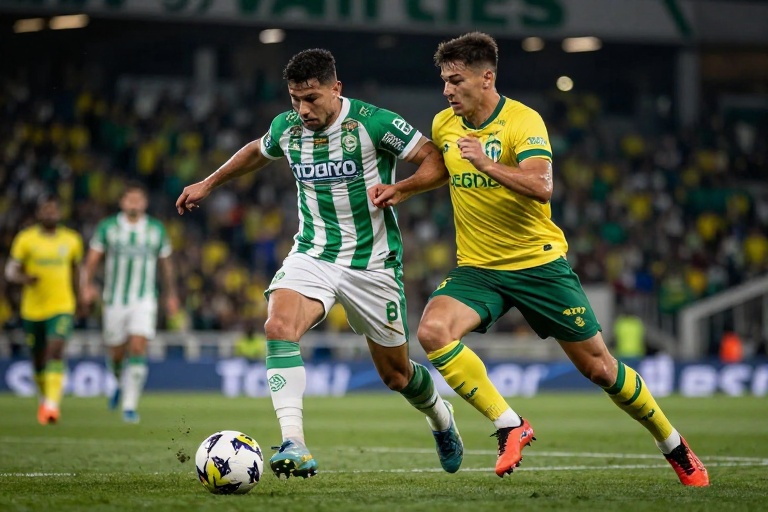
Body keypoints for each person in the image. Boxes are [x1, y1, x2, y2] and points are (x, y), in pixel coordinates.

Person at [369, 32, 709, 486]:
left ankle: (674, 445)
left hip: (538, 266)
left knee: (600, 368)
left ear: (486, 78)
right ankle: (509, 424)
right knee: (432, 331)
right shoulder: (445, 124)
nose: (447, 90)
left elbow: (541, 185)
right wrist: (403, 189)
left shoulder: (523, 121)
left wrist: (487, 164)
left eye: (456, 80)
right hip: (479, 269)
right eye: (444, 81)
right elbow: (444, 169)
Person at [175, 48, 463, 479]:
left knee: (397, 376)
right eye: (295, 99)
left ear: (335, 88)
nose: (303, 109)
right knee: (278, 326)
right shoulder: (287, 127)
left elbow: (436, 159)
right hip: (313, 253)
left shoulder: (373, 123)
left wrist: (402, 188)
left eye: (311, 98)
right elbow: (257, 151)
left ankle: (441, 418)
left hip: (373, 264)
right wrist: (209, 182)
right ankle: (294, 442)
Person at [80, 182, 179, 424]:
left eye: (138, 199)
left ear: (145, 203)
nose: (134, 203)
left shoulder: (155, 229)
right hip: (114, 299)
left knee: (137, 346)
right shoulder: (108, 227)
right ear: (122, 202)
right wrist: (86, 286)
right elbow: (92, 260)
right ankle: (117, 381)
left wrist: (171, 294)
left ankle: (129, 406)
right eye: (130, 199)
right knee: (116, 353)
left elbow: (166, 264)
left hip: (144, 298)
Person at [5, 196, 83, 425]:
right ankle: (44, 398)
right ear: (38, 213)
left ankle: (51, 406)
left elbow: (76, 272)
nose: (50, 213)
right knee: (38, 358)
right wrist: (24, 278)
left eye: (53, 210)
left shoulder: (72, 240)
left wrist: (80, 299)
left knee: (55, 350)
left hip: (62, 306)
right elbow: (10, 271)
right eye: (45, 210)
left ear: (60, 213)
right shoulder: (25, 239)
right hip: (32, 309)